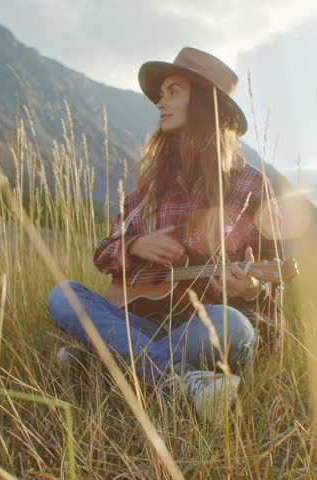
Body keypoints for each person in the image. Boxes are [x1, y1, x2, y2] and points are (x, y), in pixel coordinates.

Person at [47, 47, 286, 424]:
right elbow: (103, 252)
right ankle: (180, 382)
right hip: (143, 324)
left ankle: (101, 363)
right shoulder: (148, 188)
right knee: (63, 296)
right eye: (161, 93)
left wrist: (252, 290)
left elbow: (274, 287)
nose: (160, 101)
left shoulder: (252, 185)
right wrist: (134, 244)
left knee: (233, 327)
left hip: (204, 329)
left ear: (205, 104)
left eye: (173, 91)